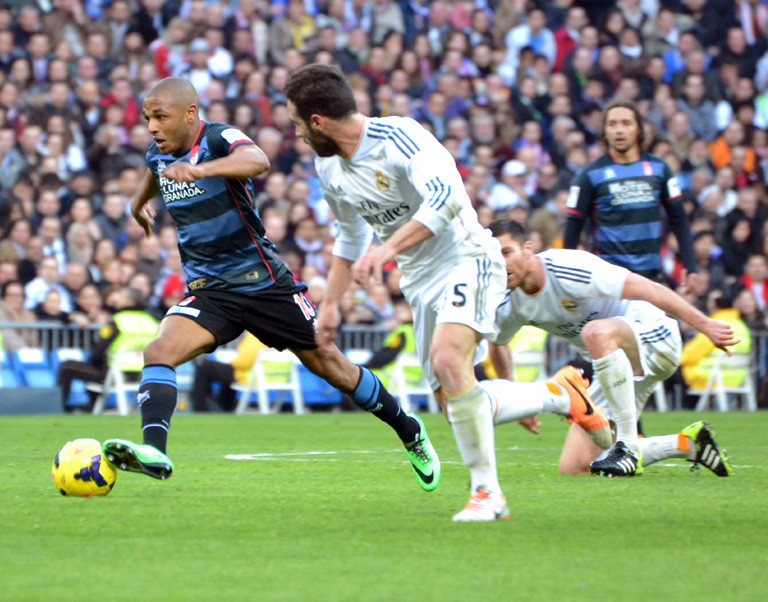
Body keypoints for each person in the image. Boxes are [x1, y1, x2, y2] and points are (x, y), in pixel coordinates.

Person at [102, 77, 440, 496]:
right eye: (147, 117)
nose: (151, 127)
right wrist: (139, 201)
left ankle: (408, 429)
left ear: (190, 114)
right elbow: (157, 171)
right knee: (159, 351)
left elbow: (258, 160)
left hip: (265, 284)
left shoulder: (218, 138)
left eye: (160, 117)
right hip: (211, 290)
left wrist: (202, 169)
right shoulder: (159, 153)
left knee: (331, 364)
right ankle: (155, 454)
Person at [283, 64, 512, 521]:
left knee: (449, 362)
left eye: (296, 124)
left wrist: (385, 249)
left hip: (468, 256)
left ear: (318, 122)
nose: (297, 135)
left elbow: (445, 199)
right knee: (449, 401)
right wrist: (329, 307)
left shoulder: (401, 137)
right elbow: (349, 238)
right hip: (419, 280)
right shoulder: (328, 166)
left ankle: (488, 494)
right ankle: (560, 398)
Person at [488, 220, 735, 477]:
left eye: (507, 252)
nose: (501, 263)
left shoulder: (565, 268)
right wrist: (518, 402)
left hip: (655, 336)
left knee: (594, 332)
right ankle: (689, 444)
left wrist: (704, 324)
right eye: (494, 256)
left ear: (528, 248)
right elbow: (497, 343)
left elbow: (647, 288)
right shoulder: (506, 301)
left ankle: (626, 446)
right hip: (614, 368)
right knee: (575, 467)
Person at [563, 100, 698, 288]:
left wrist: (690, 267)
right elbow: (573, 225)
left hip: (651, 280)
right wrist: (565, 274)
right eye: (612, 124)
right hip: (608, 282)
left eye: (626, 123)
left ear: (638, 130)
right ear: (604, 131)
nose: (619, 130)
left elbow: (679, 219)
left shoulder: (659, 169)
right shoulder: (590, 175)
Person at [56, 287, 159, 411]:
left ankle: (60, 409)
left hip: (114, 374)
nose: (116, 298)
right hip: (143, 374)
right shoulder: (151, 322)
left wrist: (93, 361)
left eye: (121, 295)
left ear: (131, 302)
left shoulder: (118, 321)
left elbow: (99, 350)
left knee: (67, 367)